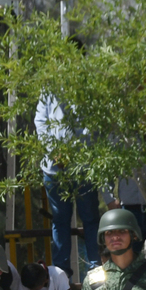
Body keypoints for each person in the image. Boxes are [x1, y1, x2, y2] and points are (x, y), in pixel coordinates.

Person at [35, 92, 100, 275]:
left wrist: (81, 155)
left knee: (90, 218)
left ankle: (96, 268)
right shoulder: (48, 88)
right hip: (54, 169)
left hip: (84, 166)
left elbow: (95, 124)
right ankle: (61, 273)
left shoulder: (86, 83)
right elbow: (40, 122)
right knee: (60, 220)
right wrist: (54, 151)